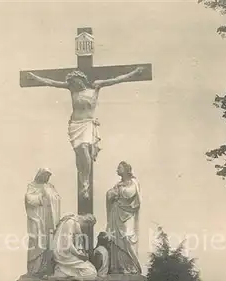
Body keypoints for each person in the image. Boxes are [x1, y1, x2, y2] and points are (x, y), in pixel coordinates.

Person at [27, 67, 144, 199]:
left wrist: (133, 73)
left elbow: (116, 80)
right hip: (75, 125)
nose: (74, 85)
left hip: (88, 124)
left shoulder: (95, 87)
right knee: (80, 156)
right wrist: (35, 78)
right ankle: (83, 180)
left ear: (82, 79)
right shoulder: (72, 89)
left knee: (84, 149)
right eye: (72, 83)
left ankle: (85, 182)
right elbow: (51, 83)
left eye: (76, 82)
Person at [106, 161, 141, 274]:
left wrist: (118, 192)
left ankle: (131, 266)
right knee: (115, 239)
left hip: (127, 214)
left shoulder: (133, 182)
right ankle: (119, 267)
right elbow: (110, 194)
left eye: (119, 167)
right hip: (116, 213)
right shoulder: (118, 184)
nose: (117, 169)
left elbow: (130, 193)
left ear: (126, 169)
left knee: (126, 238)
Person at [25, 168, 61, 277]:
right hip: (38, 219)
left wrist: (50, 197)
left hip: (49, 219)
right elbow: (29, 199)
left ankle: (47, 267)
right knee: (37, 241)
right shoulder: (32, 186)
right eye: (45, 175)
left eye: (48, 176)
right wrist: (42, 197)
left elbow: (57, 198)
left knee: (49, 242)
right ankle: (35, 269)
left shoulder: (50, 187)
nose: (47, 178)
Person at [53, 213, 97, 281]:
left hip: (70, 254)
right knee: (92, 272)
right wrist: (78, 255)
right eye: (88, 227)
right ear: (86, 222)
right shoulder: (70, 222)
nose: (86, 229)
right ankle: (64, 272)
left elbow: (78, 244)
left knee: (91, 272)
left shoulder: (76, 224)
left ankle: (66, 274)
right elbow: (68, 244)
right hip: (64, 254)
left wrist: (81, 253)